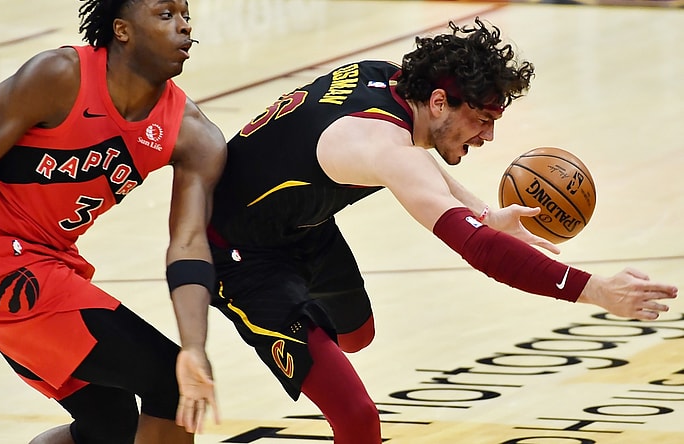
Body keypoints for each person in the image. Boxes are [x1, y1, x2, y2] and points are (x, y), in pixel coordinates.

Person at [205, 18, 678, 443]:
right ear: (438, 101)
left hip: (301, 224)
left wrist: (485, 213)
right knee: (357, 417)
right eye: (483, 120)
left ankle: (310, 331)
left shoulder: (388, 81)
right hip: (238, 254)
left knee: (357, 335)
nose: (488, 137)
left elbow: (421, 160)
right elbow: (478, 250)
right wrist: (595, 290)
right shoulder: (381, 146)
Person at [0, 1, 224, 443]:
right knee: (167, 383)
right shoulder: (58, 77)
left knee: (111, 426)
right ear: (122, 30)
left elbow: (187, 244)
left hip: (53, 263)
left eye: (186, 14)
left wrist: (194, 346)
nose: (184, 25)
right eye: (165, 14)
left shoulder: (193, 135)